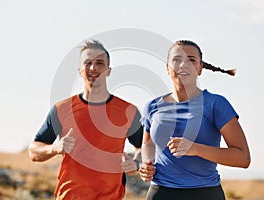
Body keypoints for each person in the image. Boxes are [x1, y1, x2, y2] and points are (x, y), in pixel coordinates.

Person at [28, 40, 143, 200]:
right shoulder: (62, 109)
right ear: (80, 70)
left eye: (100, 63)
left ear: (108, 70)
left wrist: (136, 163)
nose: (93, 68)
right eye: (87, 63)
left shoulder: (127, 111)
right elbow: (33, 150)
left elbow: (146, 147)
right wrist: (56, 148)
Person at [139, 40, 250, 200]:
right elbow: (147, 143)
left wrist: (195, 149)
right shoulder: (152, 106)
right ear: (167, 67)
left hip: (204, 193)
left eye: (191, 59)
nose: (183, 65)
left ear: (200, 68)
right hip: (160, 192)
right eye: (177, 59)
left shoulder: (216, 104)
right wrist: (147, 163)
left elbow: (243, 158)